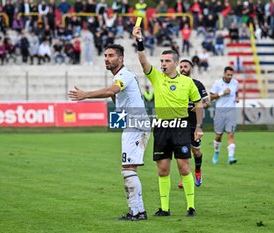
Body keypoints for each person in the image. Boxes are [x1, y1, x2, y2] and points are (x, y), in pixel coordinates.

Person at [68, 44, 150, 221]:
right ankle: (138, 211)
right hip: (134, 123)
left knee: (127, 169)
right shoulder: (120, 77)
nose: (107, 58)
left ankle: (135, 213)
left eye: (111, 55)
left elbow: (111, 91)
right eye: (105, 55)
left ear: (120, 59)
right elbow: (116, 95)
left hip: (135, 124)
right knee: (129, 168)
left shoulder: (124, 75)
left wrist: (86, 95)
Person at [133, 26, 204, 217]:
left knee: (184, 167)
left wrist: (198, 126)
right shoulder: (157, 77)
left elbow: (198, 104)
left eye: (166, 61)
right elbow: (142, 60)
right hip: (162, 128)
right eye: (161, 61)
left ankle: (191, 206)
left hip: (181, 127)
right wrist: (139, 40)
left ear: (175, 63)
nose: (163, 64)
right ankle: (164, 209)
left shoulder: (188, 83)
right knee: (163, 169)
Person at [178, 59, 210, 189]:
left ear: (191, 69)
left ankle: (198, 170)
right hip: (179, 123)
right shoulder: (175, 84)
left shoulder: (198, 84)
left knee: (195, 151)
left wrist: (199, 106)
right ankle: (185, 179)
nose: (183, 69)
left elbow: (207, 102)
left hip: (194, 124)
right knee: (182, 152)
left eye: (185, 66)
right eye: (181, 67)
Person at [210, 66, 239, 165]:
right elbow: (211, 97)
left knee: (230, 134)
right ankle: (216, 153)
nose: (230, 77)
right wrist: (222, 93)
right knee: (218, 135)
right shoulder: (218, 83)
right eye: (228, 75)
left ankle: (231, 157)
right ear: (224, 74)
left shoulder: (235, 82)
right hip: (220, 113)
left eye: (231, 75)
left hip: (231, 112)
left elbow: (236, 92)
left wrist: (237, 98)